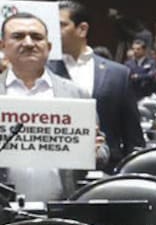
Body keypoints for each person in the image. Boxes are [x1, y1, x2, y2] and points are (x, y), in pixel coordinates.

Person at [0, 12, 108, 200]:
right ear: (2, 46)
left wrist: (95, 151)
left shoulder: (76, 94)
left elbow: (103, 153)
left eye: (36, 37)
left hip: (63, 208)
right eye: (18, 36)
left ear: (48, 47)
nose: (28, 43)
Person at [49, 0, 144, 168]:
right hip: (55, 169)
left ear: (82, 29)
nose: (53, 32)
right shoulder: (43, 71)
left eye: (61, 25)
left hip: (108, 170)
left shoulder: (118, 74)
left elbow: (133, 137)